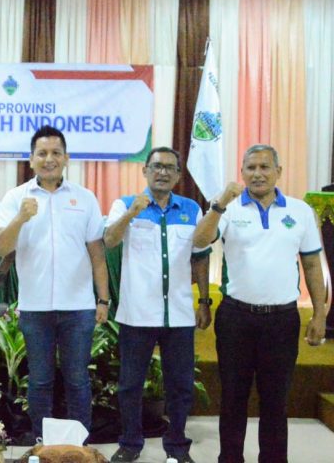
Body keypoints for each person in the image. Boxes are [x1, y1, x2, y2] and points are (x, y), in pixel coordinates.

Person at [193, 144, 327, 463]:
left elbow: (311, 265)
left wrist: (320, 313)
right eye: (251, 167)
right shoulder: (228, 210)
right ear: (242, 173)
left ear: (279, 172)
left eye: (265, 167)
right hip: (236, 318)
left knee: (275, 401)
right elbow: (199, 241)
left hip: (282, 321)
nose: (258, 174)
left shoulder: (300, 211)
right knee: (233, 399)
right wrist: (219, 205)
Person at [0, 126, 110, 439]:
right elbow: (1, 248)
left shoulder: (84, 198)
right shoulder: (16, 198)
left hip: (79, 308)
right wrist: (20, 218)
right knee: (40, 380)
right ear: (31, 160)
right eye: (42, 153)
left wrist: (103, 300)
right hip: (35, 308)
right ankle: (43, 443)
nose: (49, 159)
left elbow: (97, 254)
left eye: (56, 153)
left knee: (77, 380)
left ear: (66, 158)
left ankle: (79, 445)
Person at [104, 147, 211, 463]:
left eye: (169, 168)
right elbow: (109, 240)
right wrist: (130, 214)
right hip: (137, 314)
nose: (162, 172)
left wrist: (204, 301)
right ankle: (130, 443)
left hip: (177, 315)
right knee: (130, 385)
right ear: (145, 171)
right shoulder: (125, 204)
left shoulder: (191, 209)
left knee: (180, 387)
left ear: (178, 175)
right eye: (156, 166)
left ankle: (177, 447)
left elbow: (202, 257)